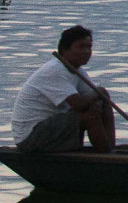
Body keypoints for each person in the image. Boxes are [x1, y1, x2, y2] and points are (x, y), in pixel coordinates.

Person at [11, 25, 116, 153]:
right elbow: (78, 104)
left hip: (52, 128)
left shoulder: (77, 70)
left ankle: (111, 148)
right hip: (31, 137)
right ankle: (105, 154)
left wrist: (100, 98)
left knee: (102, 103)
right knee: (90, 115)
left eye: (89, 47)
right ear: (65, 50)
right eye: (81, 47)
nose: (87, 52)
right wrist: (99, 93)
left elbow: (92, 97)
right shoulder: (55, 70)